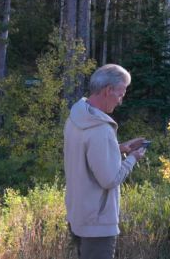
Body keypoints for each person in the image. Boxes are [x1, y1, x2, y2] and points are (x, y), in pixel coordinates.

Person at [63, 64, 147, 259]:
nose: (121, 100)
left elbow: (85, 154)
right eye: (121, 94)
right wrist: (132, 158)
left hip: (78, 216)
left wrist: (119, 148)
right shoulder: (100, 129)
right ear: (108, 90)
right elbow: (110, 179)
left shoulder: (77, 117)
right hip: (97, 225)